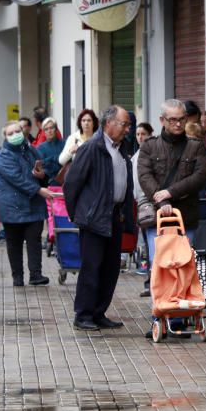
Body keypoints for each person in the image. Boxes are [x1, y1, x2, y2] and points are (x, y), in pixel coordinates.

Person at [63, 106, 135, 331]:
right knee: (92, 267)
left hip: (114, 215)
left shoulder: (122, 148)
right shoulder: (92, 148)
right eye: (124, 124)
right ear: (108, 123)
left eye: (127, 125)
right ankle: (83, 314)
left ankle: (98, 312)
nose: (127, 129)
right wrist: (78, 214)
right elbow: (71, 184)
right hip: (94, 218)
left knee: (111, 268)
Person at [138, 99, 206, 243]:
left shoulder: (196, 146)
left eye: (182, 119)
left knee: (186, 264)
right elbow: (145, 176)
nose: (178, 124)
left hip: (186, 219)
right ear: (162, 120)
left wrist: (171, 192)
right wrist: (163, 202)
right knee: (159, 264)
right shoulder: (149, 146)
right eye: (173, 120)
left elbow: (201, 176)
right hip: (157, 218)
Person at [0, 121, 54, 287]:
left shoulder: (30, 150)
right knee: (14, 242)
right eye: (10, 133)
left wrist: (41, 174)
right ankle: (18, 276)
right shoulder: (4, 155)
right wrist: (38, 190)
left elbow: (43, 170)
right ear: (5, 137)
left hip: (33, 204)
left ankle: (36, 274)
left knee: (34, 239)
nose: (15, 135)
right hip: (12, 205)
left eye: (17, 131)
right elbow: (17, 179)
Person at [132, 122, 155, 296]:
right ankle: (150, 280)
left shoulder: (154, 153)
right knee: (146, 244)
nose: (140, 137)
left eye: (143, 134)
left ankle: (154, 281)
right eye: (138, 134)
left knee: (155, 243)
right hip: (142, 206)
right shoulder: (135, 157)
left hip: (154, 203)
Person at [35, 117, 64, 185]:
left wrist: (49, 160)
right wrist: (57, 158)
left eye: (51, 128)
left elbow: (68, 163)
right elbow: (43, 166)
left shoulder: (65, 143)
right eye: (46, 129)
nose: (49, 131)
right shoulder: (40, 148)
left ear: (56, 129)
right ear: (44, 132)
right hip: (49, 182)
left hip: (65, 179)